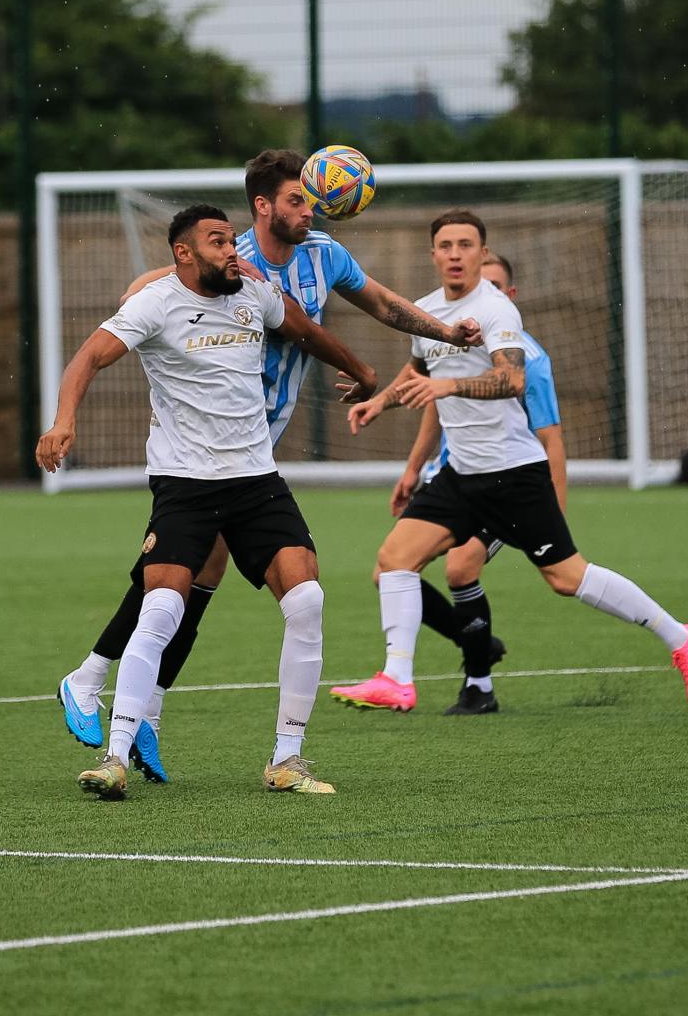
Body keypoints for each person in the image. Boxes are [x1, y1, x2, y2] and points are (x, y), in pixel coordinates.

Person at [58, 149, 482, 782]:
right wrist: (144, 301)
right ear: (263, 206)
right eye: (297, 200)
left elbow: (382, 305)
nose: (309, 210)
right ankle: (110, 691)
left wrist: (444, 336)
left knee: (198, 583)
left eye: (313, 200)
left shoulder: (323, 255)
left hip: (255, 447)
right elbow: (156, 290)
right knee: (178, 585)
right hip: (197, 448)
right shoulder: (233, 265)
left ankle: (137, 703)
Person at [38, 203, 385, 799]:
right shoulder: (155, 302)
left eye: (232, 240)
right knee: (161, 609)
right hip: (184, 485)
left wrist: (363, 370)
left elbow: (303, 329)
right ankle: (115, 756)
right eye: (219, 242)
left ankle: (287, 759)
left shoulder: (255, 292)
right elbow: (88, 356)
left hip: (256, 482)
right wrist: (64, 419)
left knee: (307, 600)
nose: (233, 251)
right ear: (184, 252)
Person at [329, 208, 688, 719]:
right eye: (446, 245)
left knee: (566, 578)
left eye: (467, 245)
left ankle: (683, 637)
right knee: (394, 560)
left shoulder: (496, 311)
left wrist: (445, 387)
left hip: (512, 475)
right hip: (461, 475)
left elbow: (510, 381)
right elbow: (421, 365)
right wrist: (382, 401)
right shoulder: (425, 311)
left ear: (482, 254)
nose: (456, 254)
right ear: (434, 254)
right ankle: (397, 678)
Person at [340, 250, 565, 715]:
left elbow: (551, 439)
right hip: (455, 479)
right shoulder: (455, 339)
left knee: (462, 569)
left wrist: (553, 512)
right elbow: (434, 407)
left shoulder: (529, 361)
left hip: (508, 482)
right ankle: (475, 642)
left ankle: (478, 684)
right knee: (389, 572)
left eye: (499, 289)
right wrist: (412, 469)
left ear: (509, 297)